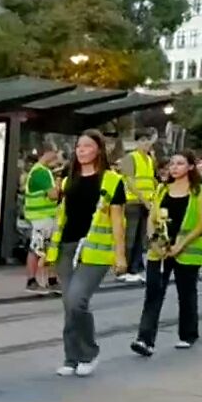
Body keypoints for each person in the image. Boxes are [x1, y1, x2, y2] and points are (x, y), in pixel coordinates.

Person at [46, 130, 128, 377]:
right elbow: (61, 213)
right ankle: (72, 358)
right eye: (78, 146)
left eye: (87, 146)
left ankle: (89, 352)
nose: (81, 150)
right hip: (67, 247)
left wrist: (120, 254)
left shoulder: (112, 180)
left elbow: (117, 220)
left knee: (77, 300)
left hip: (96, 250)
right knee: (68, 304)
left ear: (99, 150)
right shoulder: (68, 178)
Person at [131, 151, 202, 356]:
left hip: (187, 250)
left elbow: (201, 223)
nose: (174, 167)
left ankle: (188, 334)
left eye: (180, 163)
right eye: (172, 164)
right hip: (160, 250)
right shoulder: (162, 189)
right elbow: (152, 218)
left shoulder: (200, 190)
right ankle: (145, 340)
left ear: (191, 167)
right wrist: (153, 242)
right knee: (153, 293)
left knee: (186, 293)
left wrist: (180, 244)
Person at [117, 130, 157, 284]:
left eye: (148, 141)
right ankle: (124, 268)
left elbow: (151, 179)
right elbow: (130, 182)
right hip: (133, 202)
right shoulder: (130, 158)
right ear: (136, 143)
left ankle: (135, 266)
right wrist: (144, 199)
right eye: (143, 141)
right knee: (130, 237)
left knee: (141, 237)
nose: (146, 144)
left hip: (147, 203)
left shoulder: (149, 159)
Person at [23, 142, 61, 294]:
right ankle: (32, 281)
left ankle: (51, 281)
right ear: (47, 153)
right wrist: (58, 185)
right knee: (37, 249)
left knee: (48, 248)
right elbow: (53, 195)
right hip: (42, 218)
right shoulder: (42, 172)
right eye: (55, 152)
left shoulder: (39, 171)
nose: (57, 156)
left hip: (43, 217)